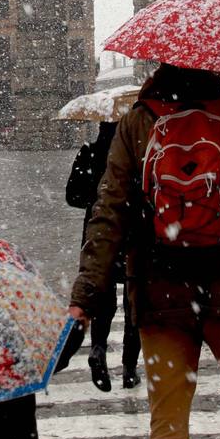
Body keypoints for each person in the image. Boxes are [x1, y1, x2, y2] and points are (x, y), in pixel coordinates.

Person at [69, 64, 220, 439]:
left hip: (162, 290)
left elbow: (108, 212)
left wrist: (86, 296)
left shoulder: (139, 121)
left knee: (168, 416)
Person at [75, 121, 141, 391]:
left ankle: (98, 350)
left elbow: (73, 196)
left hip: (99, 233)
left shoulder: (90, 150)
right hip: (131, 232)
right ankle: (129, 368)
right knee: (132, 304)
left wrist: (94, 196)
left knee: (103, 300)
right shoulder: (134, 152)